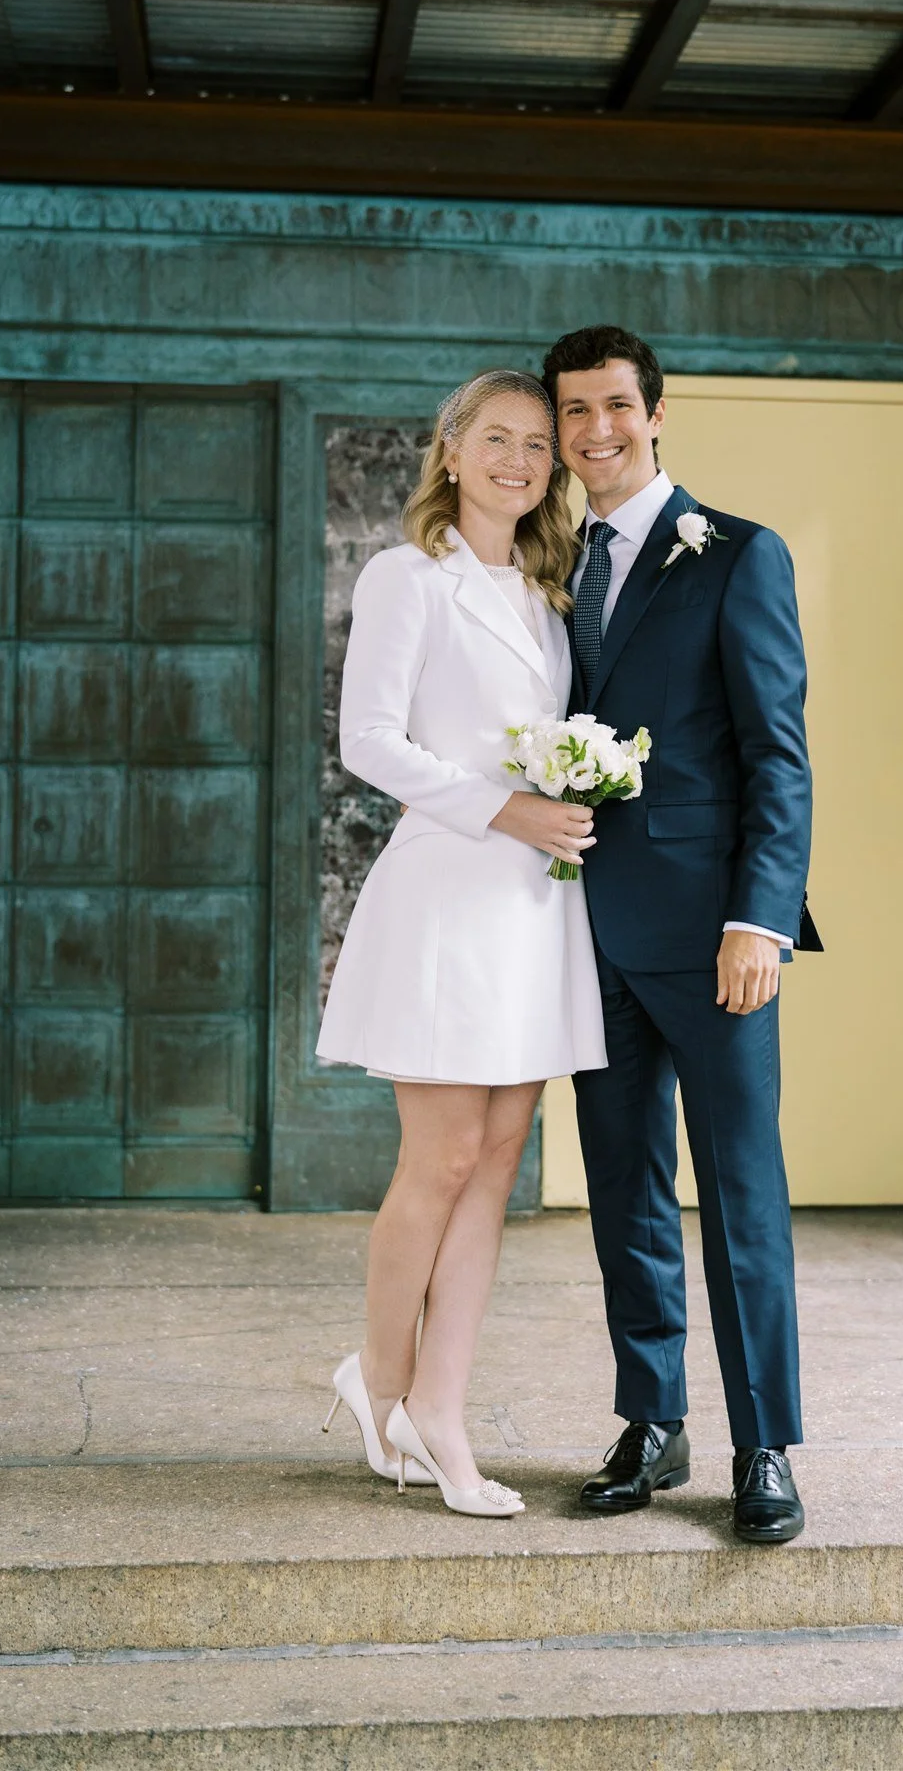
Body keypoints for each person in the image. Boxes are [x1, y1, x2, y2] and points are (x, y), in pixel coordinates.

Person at [316, 369, 607, 1519]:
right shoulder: (408, 576)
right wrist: (509, 809)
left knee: (497, 1162)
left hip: (535, 904)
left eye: (539, 443)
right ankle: (379, 1382)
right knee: (436, 1159)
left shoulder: (547, 590)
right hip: (448, 891)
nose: (522, 459)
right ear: (452, 450)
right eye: (499, 438)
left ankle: (442, 1402)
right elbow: (369, 740)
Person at [544, 323, 818, 1545]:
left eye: (615, 406)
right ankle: (652, 1422)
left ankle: (763, 1445)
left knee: (741, 1190)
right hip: (579, 932)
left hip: (716, 940)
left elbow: (779, 756)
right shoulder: (547, 562)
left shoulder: (737, 554)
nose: (594, 431)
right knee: (624, 1186)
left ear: (658, 413)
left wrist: (761, 914)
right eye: (573, 412)